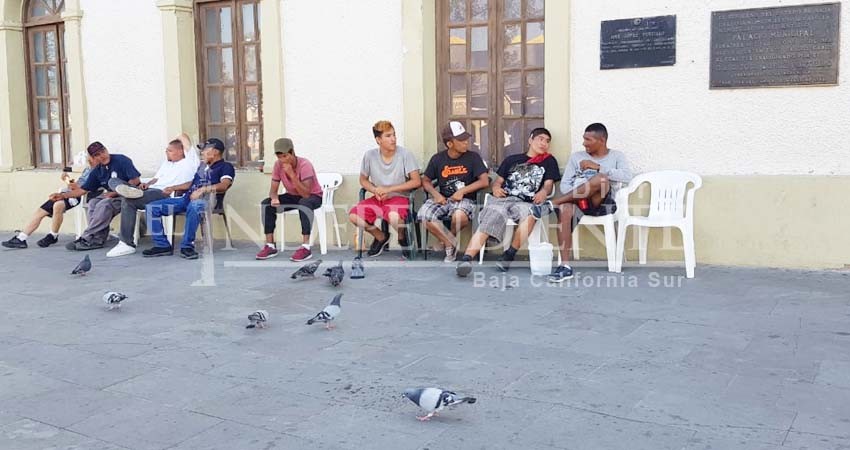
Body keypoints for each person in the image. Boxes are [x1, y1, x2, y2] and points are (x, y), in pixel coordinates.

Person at [531, 123, 633, 282]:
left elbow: (627, 177)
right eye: (583, 139)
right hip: (578, 202)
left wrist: (598, 167)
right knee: (565, 209)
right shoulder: (576, 157)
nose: (584, 143)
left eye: (588, 139)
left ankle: (553, 204)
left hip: (600, 203)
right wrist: (579, 190)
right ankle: (565, 266)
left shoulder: (616, 156)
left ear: (602, 140)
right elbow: (565, 185)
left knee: (601, 179)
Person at [456, 127, 561, 277]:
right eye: (540, 139)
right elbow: (498, 182)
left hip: (526, 202)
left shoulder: (549, 161)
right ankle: (466, 259)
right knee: (492, 215)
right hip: (503, 199)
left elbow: (549, 184)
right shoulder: (512, 160)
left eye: (547, 141)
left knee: (531, 214)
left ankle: (509, 255)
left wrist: (543, 192)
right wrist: (497, 188)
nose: (544, 143)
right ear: (531, 140)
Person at [105, 134, 199, 257]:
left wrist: (177, 137)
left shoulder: (190, 161)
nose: (166, 152)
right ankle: (129, 191)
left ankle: (126, 243)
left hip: (163, 194)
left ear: (181, 151)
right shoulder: (167, 163)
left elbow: (183, 137)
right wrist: (146, 184)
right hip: (149, 190)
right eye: (166, 150)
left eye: (170, 150)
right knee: (113, 181)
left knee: (128, 201)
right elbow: (156, 179)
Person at [142, 138, 235, 260]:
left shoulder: (226, 166)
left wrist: (202, 190)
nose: (202, 153)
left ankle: (187, 246)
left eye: (205, 150)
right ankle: (162, 246)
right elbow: (191, 183)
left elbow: (224, 185)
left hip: (208, 201)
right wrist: (173, 187)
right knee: (152, 207)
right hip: (187, 199)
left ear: (216, 152)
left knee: (195, 205)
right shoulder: (203, 166)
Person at [49, 142, 143, 251]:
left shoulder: (121, 160)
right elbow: (83, 190)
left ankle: (86, 236)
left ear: (107, 150)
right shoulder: (97, 170)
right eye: (97, 155)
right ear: (93, 158)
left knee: (104, 204)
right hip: (110, 195)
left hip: (128, 195)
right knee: (93, 203)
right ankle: (97, 239)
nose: (102, 156)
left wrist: (116, 193)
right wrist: (62, 196)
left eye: (103, 152)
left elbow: (135, 181)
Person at [348, 120, 421, 258]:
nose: (393, 139)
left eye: (394, 135)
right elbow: (363, 180)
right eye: (388, 136)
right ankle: (381, 236)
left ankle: (401, 236)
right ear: (378, 140)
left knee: (394, 217)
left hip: (399, 198)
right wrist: (375, 190)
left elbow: (417, 181)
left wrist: (389, 189)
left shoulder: (405, 154)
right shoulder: (369, 156)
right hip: (378, 198)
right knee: (353, 215)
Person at [419, 121, 489, 262]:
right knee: (423, 215)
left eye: (466, 139)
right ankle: (451, 243)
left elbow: (484, 181)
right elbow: (425, 181)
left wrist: (463, 191)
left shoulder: (473, 157)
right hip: (443, 199)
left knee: (459, 217)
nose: (466, 143)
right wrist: (436, 194)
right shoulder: (437, 159)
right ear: (450, 144)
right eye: (461, 140)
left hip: (465, 200)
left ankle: (447, 243)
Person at [1, 155, 98, 249]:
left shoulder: (98, 172)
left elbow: (85, 188)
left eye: (90, 159)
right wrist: (68, 180)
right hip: (67, 192)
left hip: (77, 196)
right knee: (41, 210)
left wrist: (72, 185)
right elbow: (77, 184)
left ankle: (53, 235)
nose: (88, 161)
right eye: (88, 159)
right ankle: (21, 238)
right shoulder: (87, 169)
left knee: (58, 205)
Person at [256, 138, 323, 262]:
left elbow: (306, 194)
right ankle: (270, 245)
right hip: (293, 196)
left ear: (292, 152)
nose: (282, 160)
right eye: (279, 157)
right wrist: (274, 198)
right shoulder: (278, 165)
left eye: (285, 156)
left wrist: (292, 174)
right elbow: (273, 190)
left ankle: (305, 247)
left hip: (313, 196)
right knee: (266, 204)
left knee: (304, 203)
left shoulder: (305, 165)